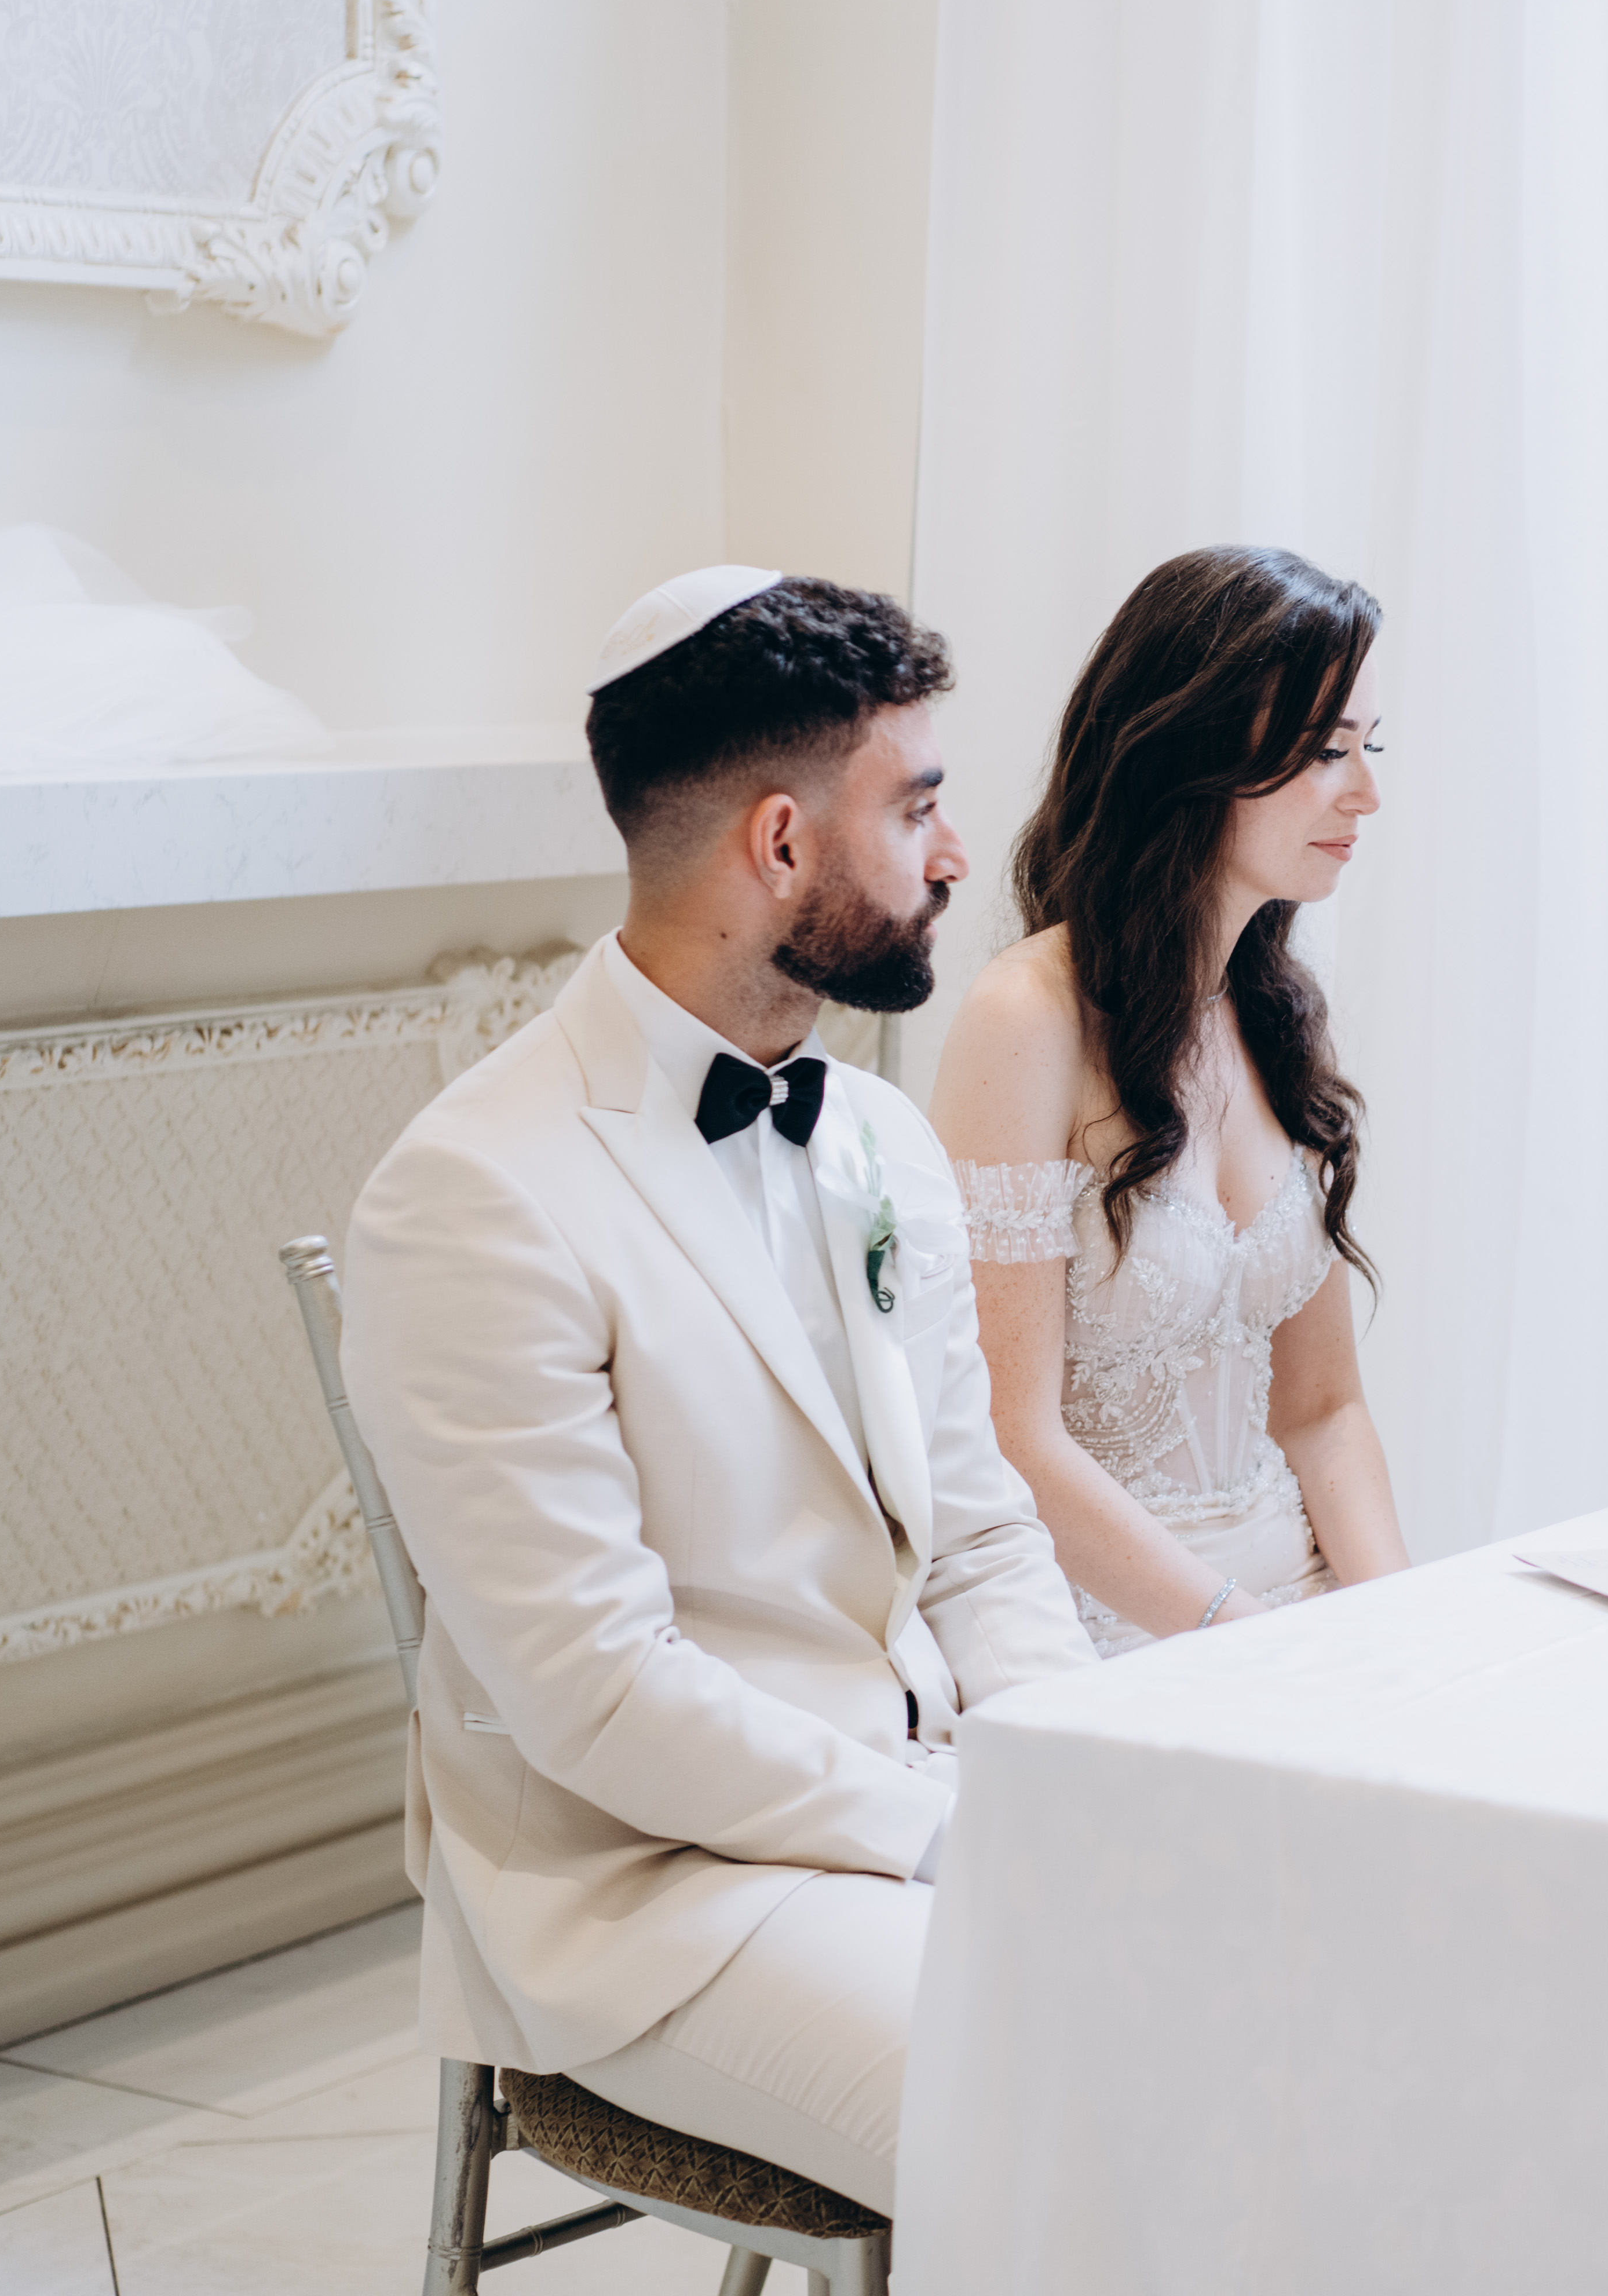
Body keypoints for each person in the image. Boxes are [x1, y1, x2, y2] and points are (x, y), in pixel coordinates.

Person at [339, 567, 1099, 2213]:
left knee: (1275, 2000)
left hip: (933, 1799)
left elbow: (979, 1534)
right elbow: (598, 1693)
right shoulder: (476, 1192)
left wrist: (1061, 1774)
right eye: (918, 808)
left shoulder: (882, 1135)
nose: (956, 855)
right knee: (1087, 2107)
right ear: (781, 843)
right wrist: (943, 1828)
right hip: (656, 1891)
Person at [931, 546, 1409, 1653]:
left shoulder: (1279, 1016)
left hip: (1294, 1606)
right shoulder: (1026, 1018)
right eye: (1328, 752)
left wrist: (1397, 1632)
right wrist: (1247, 1644)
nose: (1367, 793)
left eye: (1369, 747)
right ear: (1191, 751)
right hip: (1109, 1628)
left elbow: (1322, 1412)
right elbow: (1011, 1437)